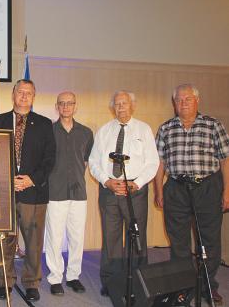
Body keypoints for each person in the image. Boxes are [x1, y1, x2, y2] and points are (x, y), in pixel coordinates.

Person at [154, 84, 229, 305]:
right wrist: (159, 191)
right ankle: (183, 288)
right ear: (174, 103)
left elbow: (225, 160)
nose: (183, 103)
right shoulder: (166, 128)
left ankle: (208, 285)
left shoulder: (213, 125)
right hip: (176, 188)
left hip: (207, 187)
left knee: (209, 241)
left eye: (187, 99)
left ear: (197, 101)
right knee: (178, 242)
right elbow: (160, 163)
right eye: (178, 99)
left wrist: (227, 191)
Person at [0, 79, 56, 302]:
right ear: (13, 94)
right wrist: (8, 180)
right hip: (4, 192)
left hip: (33, 192)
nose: (24, 96)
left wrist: (30, 180)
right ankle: (4, 282)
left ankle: (31, 283)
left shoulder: (45, 124)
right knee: (4, 239)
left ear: (33, 97)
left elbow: (49, 159)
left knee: (33, 241)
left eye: (29, 93)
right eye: (20, 92)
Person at [88, 90, 159, 297]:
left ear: (132, 106)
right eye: (117, 104)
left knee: (137, 238)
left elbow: (152, 162)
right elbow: (93, 162)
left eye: (124, 103)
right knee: (111, 240)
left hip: (135, 192)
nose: (121, 107)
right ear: (112, 107)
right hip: (109, 192)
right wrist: (107, 181)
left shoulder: (144, 129)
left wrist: (136, 183)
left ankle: (139, 282)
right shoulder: (104, 131)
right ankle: (111, 283)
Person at [45, 91, 93, 296]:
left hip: (78, 193)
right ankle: (55, 278)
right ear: (57, 107)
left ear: (76, 106)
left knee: (76, 237)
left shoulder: (86, 132)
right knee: (55, 237)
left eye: (69, 103)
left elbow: (85, 161)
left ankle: (73, 276)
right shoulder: (49, 131)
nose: (66, 107)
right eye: (62, 104)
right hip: (55, 192)